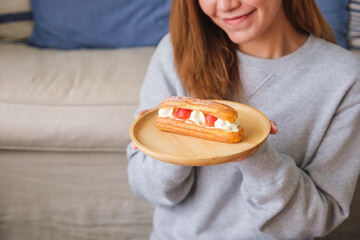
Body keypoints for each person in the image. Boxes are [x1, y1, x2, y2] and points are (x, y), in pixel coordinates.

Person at [127, 0, 360, 239]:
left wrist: (256, 154)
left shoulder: (345, 79)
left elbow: (313, 222)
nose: (227, 5)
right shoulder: (177, 51)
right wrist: (171, 141)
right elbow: (147, 189)